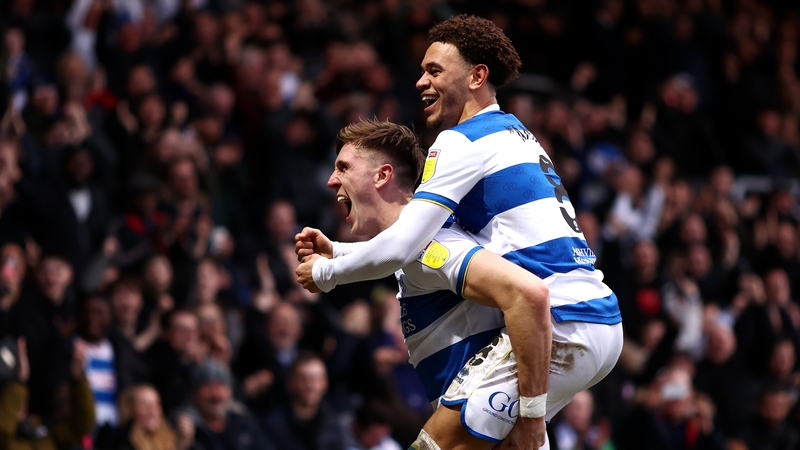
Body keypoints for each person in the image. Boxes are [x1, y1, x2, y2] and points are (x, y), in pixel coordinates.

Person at [296, 13, 622, 449]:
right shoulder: (517, 134)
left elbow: (408, 244)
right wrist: (338, 250)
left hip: (558, 320)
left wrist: (326, 273)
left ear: (476, 77)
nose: (420, 82)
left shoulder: (460, 141)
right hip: (588, 316)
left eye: (434, 70)